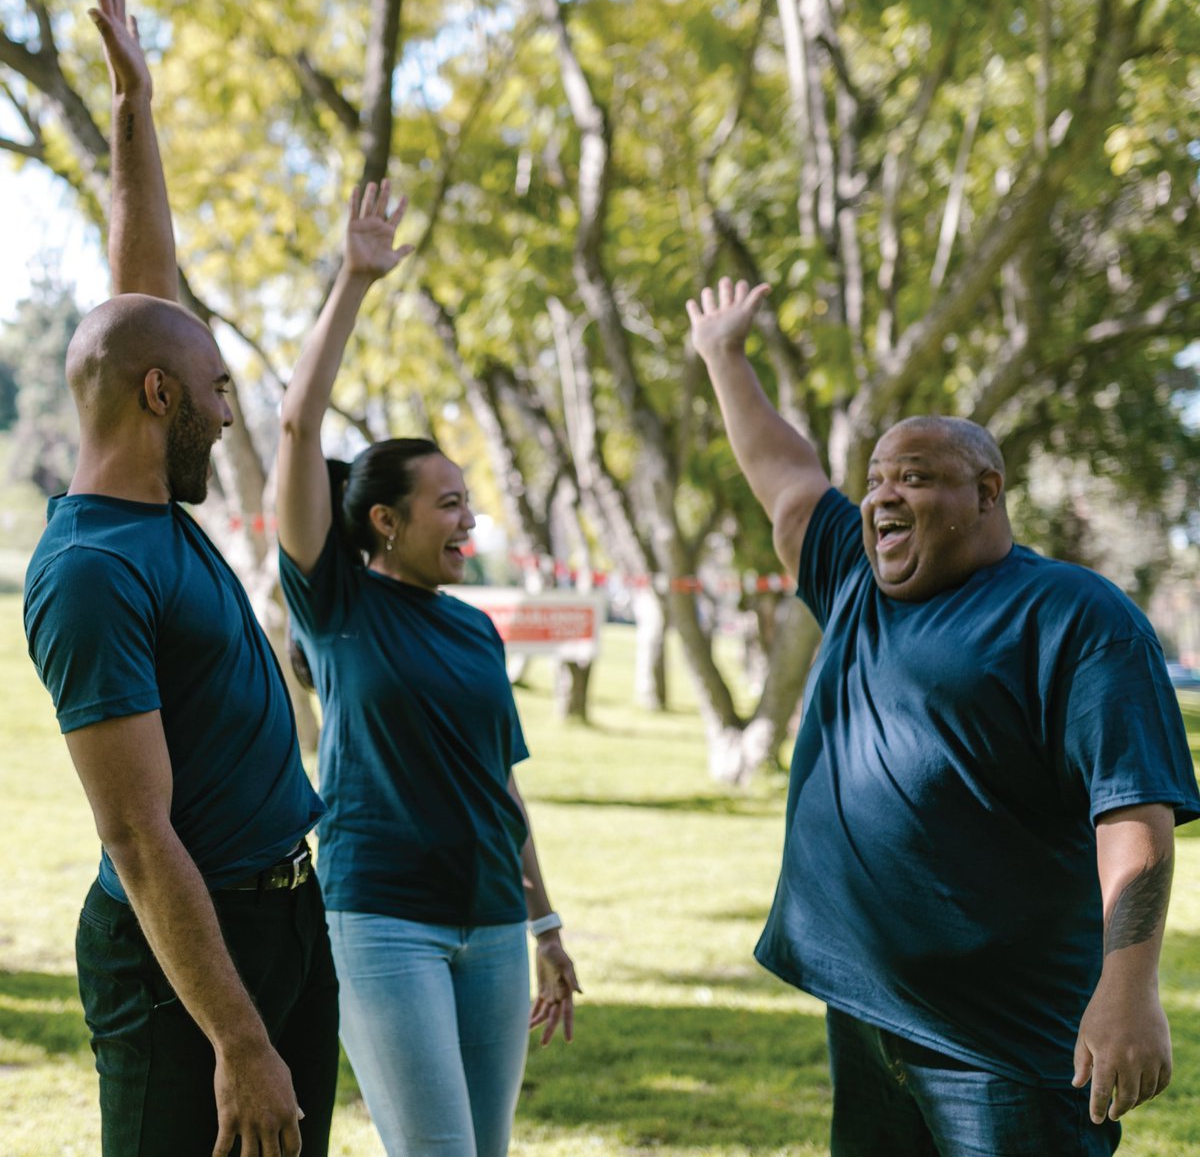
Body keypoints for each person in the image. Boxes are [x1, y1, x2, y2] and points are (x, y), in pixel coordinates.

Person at [687, 276, 1200, 1156]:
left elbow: (1133, 810)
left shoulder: (1071, 616)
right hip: (868, 1018)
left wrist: (1128, 987)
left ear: (988, 494)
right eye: (877, 478)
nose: (883, 497)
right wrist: (723, 356)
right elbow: (785, 476)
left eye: (916, 479)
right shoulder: (854, 575)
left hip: (1003, 1046)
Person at [22, 0, 338, 1156]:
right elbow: (138, 837)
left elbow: (143, 288)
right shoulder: (95, 572)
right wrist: (239, 1041)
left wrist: (131, 113)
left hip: (281, 918)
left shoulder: (149, 505)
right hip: (188, 968)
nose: (225, 407)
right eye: (213, 390)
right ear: (159, 397)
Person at [274, 179, 581, 1157]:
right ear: (383, 521)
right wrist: (356, 280)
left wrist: (545, 925)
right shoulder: (336, 601)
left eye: (468, 503)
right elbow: (296, 426)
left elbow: (501, 785)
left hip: (491, 923)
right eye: (446, 503)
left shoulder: (475, 632)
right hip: (380, 919)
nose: (468, 520)